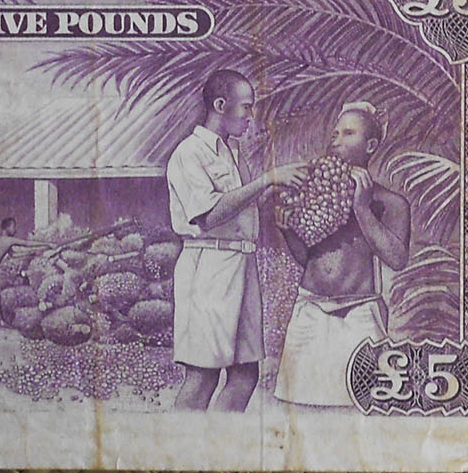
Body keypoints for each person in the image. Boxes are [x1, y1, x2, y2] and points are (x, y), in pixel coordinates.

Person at [167, 68, 305, 411]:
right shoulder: (189, 153)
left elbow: (240, 208)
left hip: (242, 265)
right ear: (220, 106)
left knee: (245, 374)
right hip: (208, 270)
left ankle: (221, 440)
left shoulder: (230, 151)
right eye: (246, 107)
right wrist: (266, 180)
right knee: (203, 375)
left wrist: (276, 194)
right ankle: (179, 441)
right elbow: (209, 215)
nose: (250, 116)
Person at [273, 101, 411, 408]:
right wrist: (288, 232)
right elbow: (305, 258)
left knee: (360, 407)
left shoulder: (390, 202)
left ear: (370, 145)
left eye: (349, 133)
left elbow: (397, 259)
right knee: (299, 411)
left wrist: (361, 209)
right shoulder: (314, 196)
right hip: (309, 310)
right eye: (335, 133)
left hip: (359, 314)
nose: (336, 140)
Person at [0, 217, 45, 326]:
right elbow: (26, 243)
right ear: (7, 228)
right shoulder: (9, 240)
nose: (15, 229)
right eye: (13, 227)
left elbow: (13, 255)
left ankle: (1, 321)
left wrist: (30, 253)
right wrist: (47, 244)